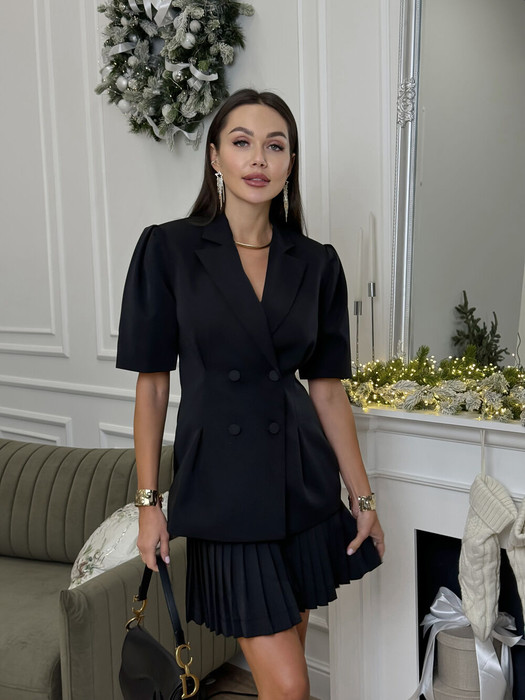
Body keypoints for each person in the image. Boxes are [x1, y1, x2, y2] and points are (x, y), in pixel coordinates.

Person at [116, 88, 385, 700]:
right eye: (242, 143)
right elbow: (152, 386)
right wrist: (149, 503)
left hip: (302, 483)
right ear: (215, 156)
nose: (259, 158)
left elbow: (327, 391)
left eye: (275, 145)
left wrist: (363, 496)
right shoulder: (168, 249)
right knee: (291, 687)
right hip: (224, 491)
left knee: (280, 684)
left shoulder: (316, 262)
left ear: (290, 163)